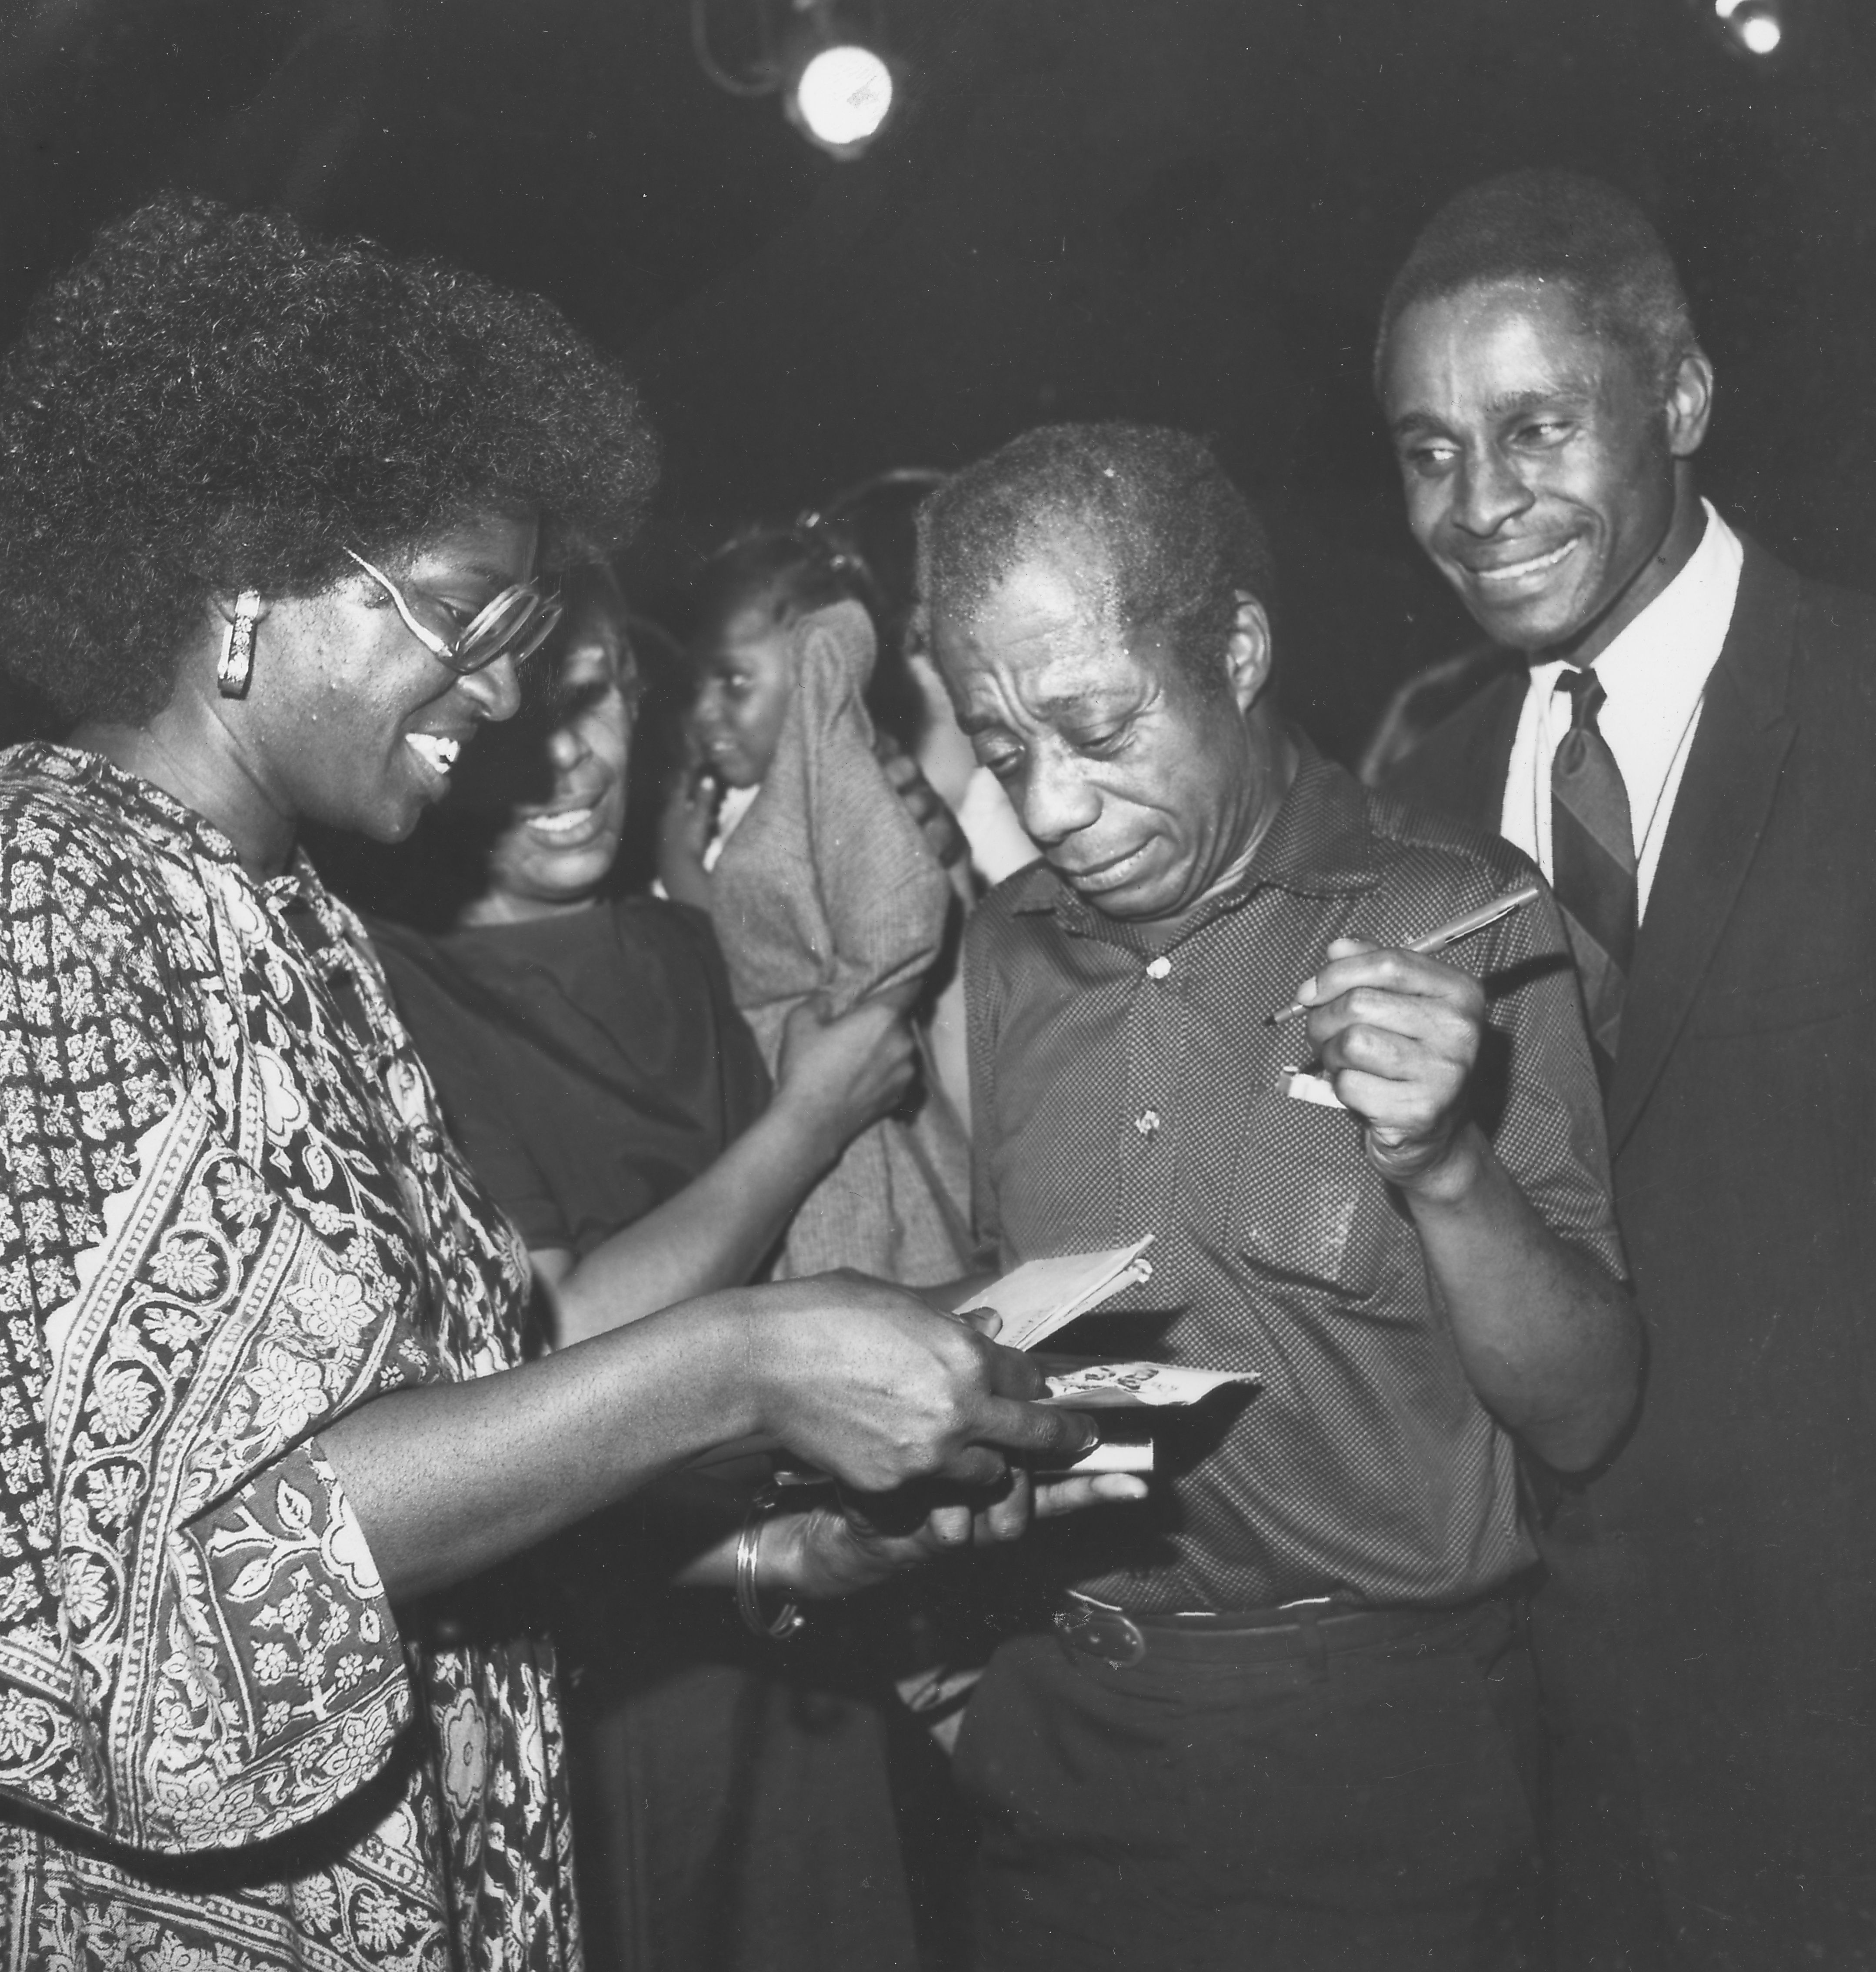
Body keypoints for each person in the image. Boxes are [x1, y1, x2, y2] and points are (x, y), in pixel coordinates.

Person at [0, 193, 1107, 1972]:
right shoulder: (54, 901)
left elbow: (453, 1450)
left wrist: (739, 1564)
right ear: (235, 581)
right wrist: (737, 1363)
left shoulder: (310, 933)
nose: (506, 690)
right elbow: (177, 1594)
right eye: (459, 614)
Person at [915, 420, 1641, 1970]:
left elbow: (1584, 1413)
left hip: (1373, 1783)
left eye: (1098, 727)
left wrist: (1443, 1164)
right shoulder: (1004, 951)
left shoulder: (1462, 914)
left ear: (1236, 650)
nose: (1048, 808)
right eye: (1000, 749)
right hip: (1056, 1756)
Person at [1374, 169, 1876, 1965]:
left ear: (1675, 401)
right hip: (1557, 1752)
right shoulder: (1415, 807)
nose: (1478, 504)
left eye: (1530, 428)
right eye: (1426, 450)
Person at [363, 563, 992, 1972]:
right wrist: (808, 1114)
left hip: (801, 1629)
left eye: (591, 700)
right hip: (606, 1680)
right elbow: (568, 1330)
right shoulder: (403, 988)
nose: (563, 760)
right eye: (514, 721)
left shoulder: (683, 940)